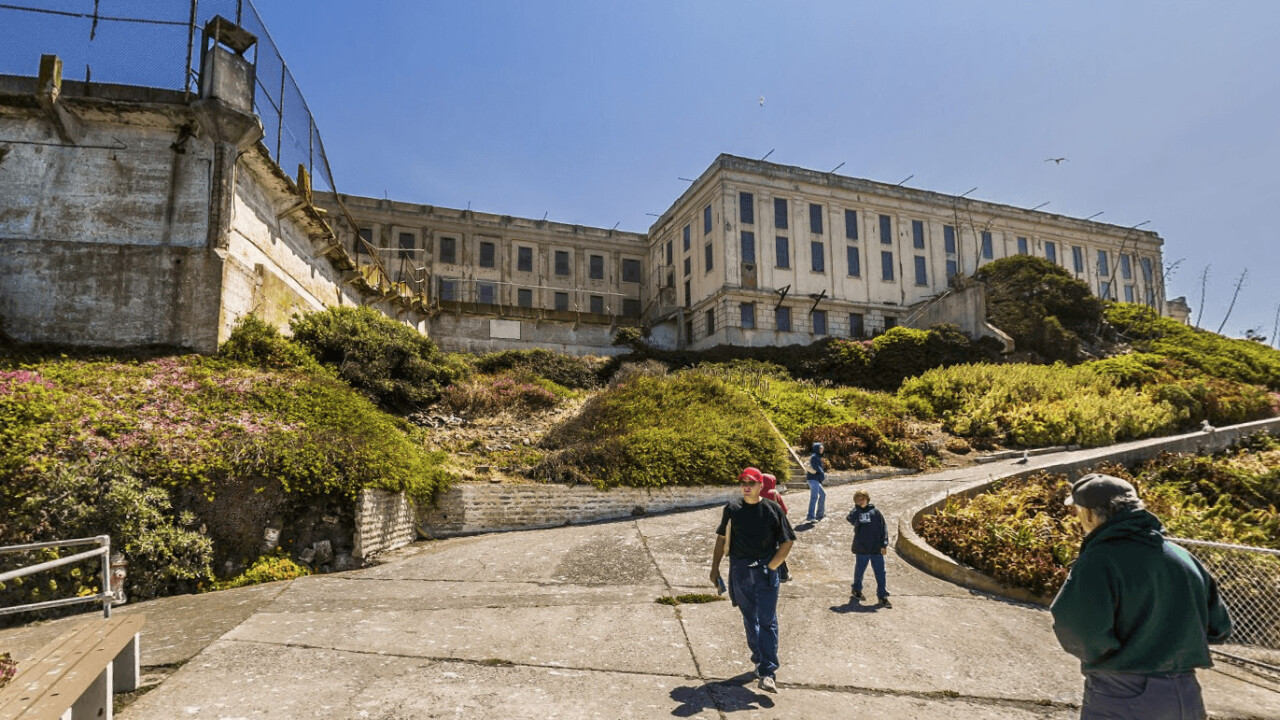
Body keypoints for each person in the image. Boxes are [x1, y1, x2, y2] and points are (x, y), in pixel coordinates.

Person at [1051, 473, 1233, 720]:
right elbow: (1219, 627)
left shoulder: (1099, 560)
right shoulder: (1183, 558)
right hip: (1185, 693)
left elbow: (1077, 626)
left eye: (1079, 513)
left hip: (1122, 690)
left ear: (1090, 514)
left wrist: (1110, 655)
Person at [710, 467, 796, 694]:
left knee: (767, 620)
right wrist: (714, 569)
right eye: (743, 482)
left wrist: (772, 567)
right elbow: (721, 539)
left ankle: (768, 672)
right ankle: (759, 661)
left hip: (765, 572)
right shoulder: (732, 508)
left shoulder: (772, 509)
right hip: (739, 571)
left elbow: (788, 541)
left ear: (760, 486)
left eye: (751, 482)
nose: (746, 486)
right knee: (750, 618)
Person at [846, 489, 890, 607]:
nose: (861, 501)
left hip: (876, 548)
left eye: (862, 498)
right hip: (862, 548)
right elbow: (850, 519)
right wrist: (858, 508)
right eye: (858, 499)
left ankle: (882, 595)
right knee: (859, 571)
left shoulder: (876, 512)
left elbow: (883, 529)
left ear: (868, 499)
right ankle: (856, 589)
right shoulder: (856, 512)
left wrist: (884, 544)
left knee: (880, 572)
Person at [760, 474, 791, 582]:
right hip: (773, 526)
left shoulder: (756, 493)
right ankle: (783, 575)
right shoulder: (774, 493)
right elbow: (784, 510)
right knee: (778, 550)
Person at [805, 442, 826, 522]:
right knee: (814, 497)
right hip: (813, 479)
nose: (822, 449)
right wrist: (822, 473)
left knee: (823, 494)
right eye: (820, 448)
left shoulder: (817, 456)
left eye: (822, 448)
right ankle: (810, 516)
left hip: (815, 479)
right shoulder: (814, 456)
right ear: (816, 448)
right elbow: (816, 467)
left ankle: (820, 514)